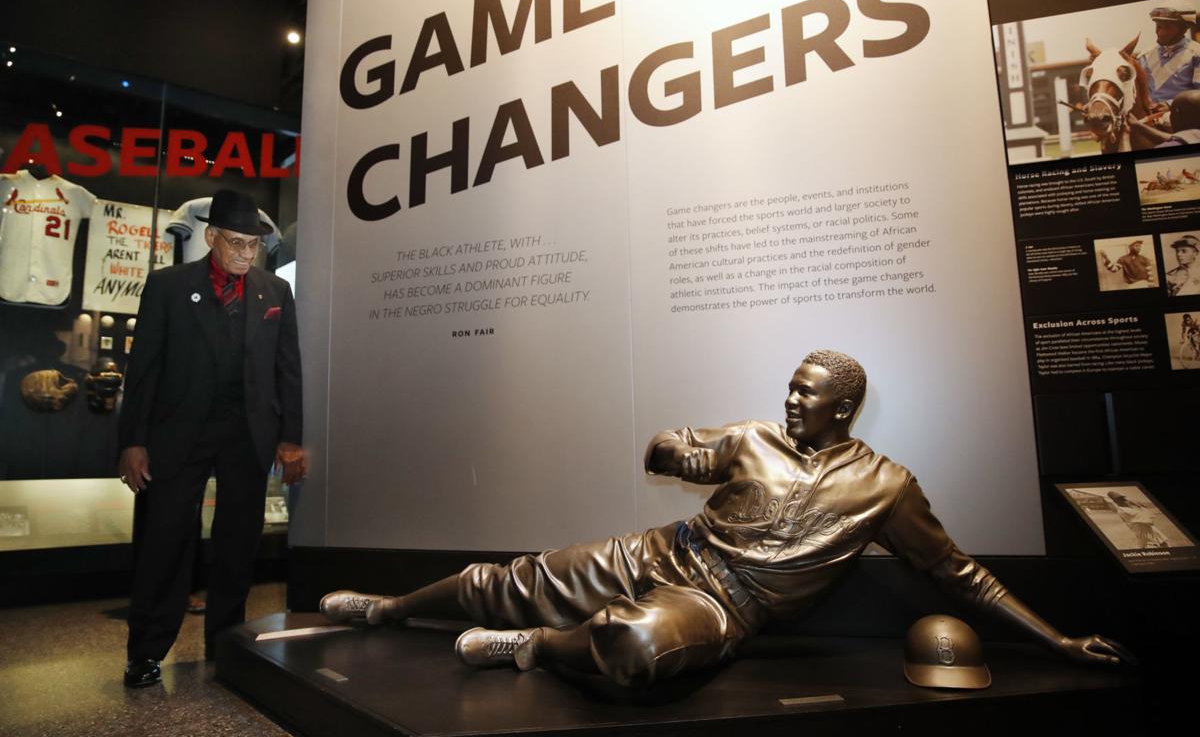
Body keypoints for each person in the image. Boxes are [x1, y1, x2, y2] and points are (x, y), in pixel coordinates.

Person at [321, 351, 1128, 688]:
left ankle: (532, 648)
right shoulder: (752, 438)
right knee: (506, 578)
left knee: (631, 647)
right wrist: (672, 448)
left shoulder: (887, 487)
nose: (790, 399)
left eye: (806, 394)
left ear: (842, 408)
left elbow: (961, 573)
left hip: (720, 605)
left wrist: (1055, 640)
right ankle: (388, 608)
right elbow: (673, 452)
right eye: (789, 386)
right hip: (659, 551)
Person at [117, 189, 305, 688]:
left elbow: (289, 369)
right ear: (211, 237)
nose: (246, 254)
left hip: (247, 434)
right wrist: (132, 442)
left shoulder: (274, 293)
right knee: (165, 542)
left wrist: (291, 438)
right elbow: (144, 371)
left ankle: (226, 647)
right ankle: (147, 651)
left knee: (237, 544)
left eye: (254, 245)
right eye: (237, 243)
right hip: (178, 435)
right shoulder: (168, 287)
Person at [1138, 0, 1199, 110]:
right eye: (1159, 26)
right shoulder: (1144, 56)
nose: (1161, 32)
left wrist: (1170, 105)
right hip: (1148, 118)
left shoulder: (1196, 54)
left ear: (1185, 28)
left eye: (1168, 28)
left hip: (1183, 118)